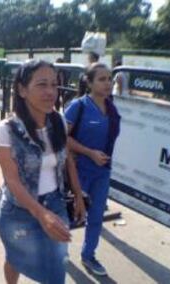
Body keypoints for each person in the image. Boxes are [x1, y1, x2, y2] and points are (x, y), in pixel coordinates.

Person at [0, 60, 86, 284]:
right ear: (22, 90)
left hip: (55, 204)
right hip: (19, 211)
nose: (50, 92)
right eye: (42, 84)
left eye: (54, 85)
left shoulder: (59, 122)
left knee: (57, 266)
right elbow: (12, 181)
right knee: (15, 258)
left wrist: (78, 195)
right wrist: (40, 213)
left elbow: (67, 162)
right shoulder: (7, 130)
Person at [64, 63, 121, 276]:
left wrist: (100, 158)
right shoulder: (78, 106)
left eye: (110, 79)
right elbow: (62, 137)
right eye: (102, 79)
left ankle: (89, 255)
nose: (108, 84)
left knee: (96, 216)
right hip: (78, 171)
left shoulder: (112, 107)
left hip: (102, 171)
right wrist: (89, 153)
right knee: (70, 216)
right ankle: (59, 252)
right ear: (89, 82)